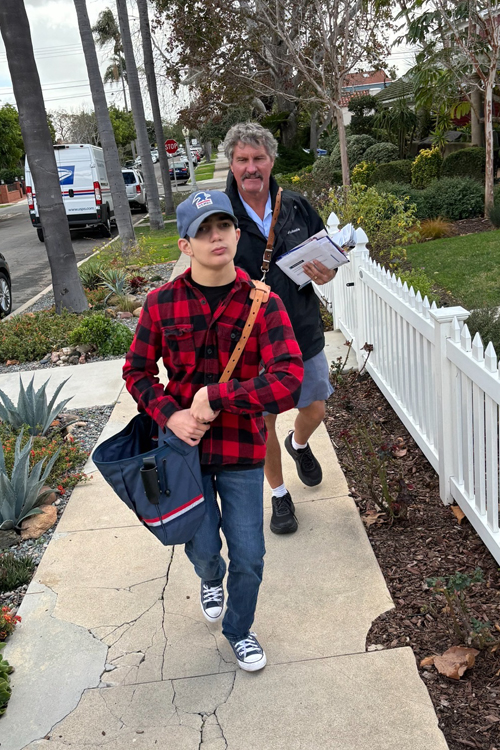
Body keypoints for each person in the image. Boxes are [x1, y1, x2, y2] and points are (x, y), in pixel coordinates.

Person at [123, 190, 303, 672]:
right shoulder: (161, 304)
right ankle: (209, 576)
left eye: (222, 226)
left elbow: (288, 381)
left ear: (237, 233)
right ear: (185, 245)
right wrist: (171, 414)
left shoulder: (262, 304)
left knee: (251, 555)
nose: (215, 236)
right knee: (202, 548)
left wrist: (217, 397)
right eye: (203, 230)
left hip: (242, 450)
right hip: (184, 452)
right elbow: (136, 372)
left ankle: (239, 629)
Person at [224, 122, 337, 536]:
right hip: (248, 343)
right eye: (243, 160)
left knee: (315, 408)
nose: (251, 168)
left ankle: (300, 444)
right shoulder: (219, 214)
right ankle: (278, 496)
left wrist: (324, 274)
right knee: (262, 422)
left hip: (301, 330)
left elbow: (325, 254)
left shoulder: (297, 207)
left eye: (258, 159)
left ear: (271, 161)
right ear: (232, 164)